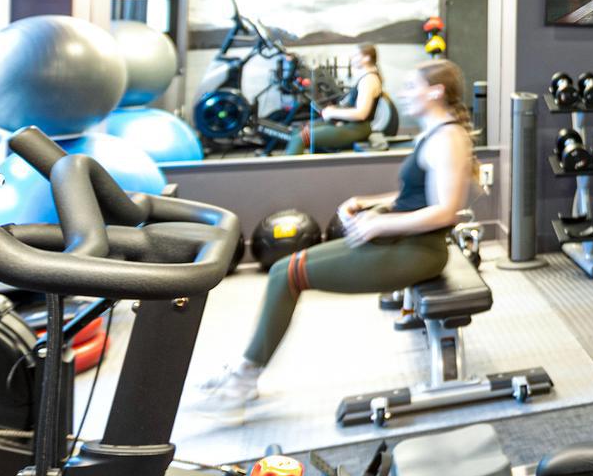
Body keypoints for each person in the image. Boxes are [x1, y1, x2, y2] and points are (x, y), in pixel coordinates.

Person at [193, 59, 475, 415]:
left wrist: (379, 224)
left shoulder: (448, 138)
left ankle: (244, 380)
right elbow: (417, 197)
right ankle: (244, 373)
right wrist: (368, 203)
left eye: (411, 87)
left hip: (418, 251)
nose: (403, 94)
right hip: (401, 241)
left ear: (435, 91)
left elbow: (445, 211)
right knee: (283, 270)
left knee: (288, 275)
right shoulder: (435, 133)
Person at [282, 44, 385, 154]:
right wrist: (334, 110)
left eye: (356, 55)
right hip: (349, 124)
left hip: (357, 128)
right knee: (298, 131)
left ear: (367, 58)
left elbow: (361, 114)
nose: (352, 58)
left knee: (301, 138)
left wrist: (332, 113)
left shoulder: (369, 80)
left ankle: (285, 170)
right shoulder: (366, 77)